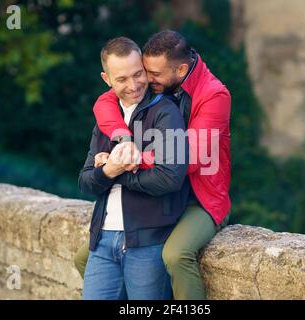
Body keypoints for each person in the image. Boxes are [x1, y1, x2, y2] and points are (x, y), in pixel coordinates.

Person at [75, 30, 231, 300]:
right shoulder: (156, 90)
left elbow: (184, 161)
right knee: (83, 256)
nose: (144, 80)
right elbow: (104, 101)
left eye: (152, 74)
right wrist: (123, 142)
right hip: (164, 192)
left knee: (175, 254)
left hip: (200, 195)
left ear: (180, 70)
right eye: (142, 71)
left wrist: (126, 161)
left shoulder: (214, 96)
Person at [78, 36, 189, 300]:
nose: (134, 85)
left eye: (138, 74)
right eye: (122, 79)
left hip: (149, 241)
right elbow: (84, 181)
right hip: (102, 241)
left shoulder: (165, 112)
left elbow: (170, 177)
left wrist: (118, 172)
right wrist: (108, 172)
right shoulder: (106, 119)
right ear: (107, 79)